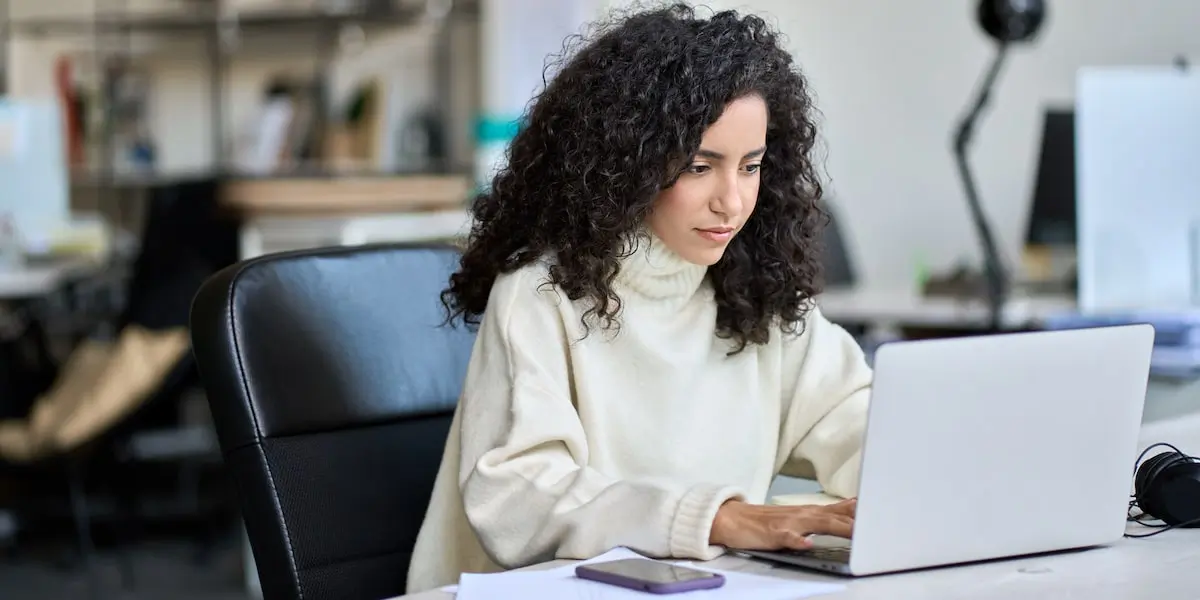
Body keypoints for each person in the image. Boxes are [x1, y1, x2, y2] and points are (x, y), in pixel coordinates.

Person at [406, 3, 872, 593]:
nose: (732, 201)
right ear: (628, 164)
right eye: (700, 167)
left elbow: (858, 423)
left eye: (750, 166)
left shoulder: (755, 289)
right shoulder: (542, 293)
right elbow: (519, 497)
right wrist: (720, 518)